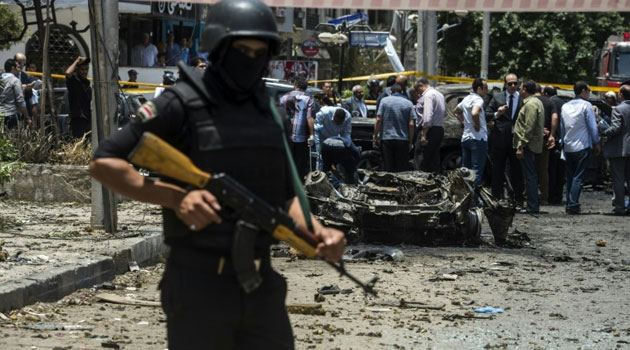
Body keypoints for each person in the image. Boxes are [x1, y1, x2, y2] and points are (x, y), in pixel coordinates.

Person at [89, 1, 345, 348]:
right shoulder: (179, 103)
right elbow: (104, 162)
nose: (250, 60)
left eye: (260, 52)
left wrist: (318, 233)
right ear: (219, 48)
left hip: (260, 284)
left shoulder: (271, 113)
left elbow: (288, 197)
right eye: (242, 50)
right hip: (198, 285)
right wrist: (176, 197)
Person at [560, 81, 601, 214]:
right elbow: (592, 127)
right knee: (578, 176)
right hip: (582, 145)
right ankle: (573, 204)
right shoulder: (586, 105)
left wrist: (562, 143)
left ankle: (569, 203)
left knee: (570, 176)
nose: (589, 93)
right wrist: (596, 142)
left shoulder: (565, 106)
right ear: (583, 91)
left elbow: (562, 127)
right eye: (588, 91)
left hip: (568, 146)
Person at [486, 73, 525, 207]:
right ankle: (496, 198)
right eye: (510, 83)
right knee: (497, 170)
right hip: (500, 139)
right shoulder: (497, 97)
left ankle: (518, 199)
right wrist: (498, 113)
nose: (513, 86)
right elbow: (487, 114)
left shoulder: (522, 99)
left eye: (515, 83)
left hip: (516, 139)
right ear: (505, 85)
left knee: (517, 171)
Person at [454, 78, 488, 206]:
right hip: (478, 138)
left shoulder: (466, 99)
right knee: (476, 171)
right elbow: (475, 112)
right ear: (479, 89)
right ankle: (474, 201)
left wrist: (465, 122)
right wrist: (477, 125)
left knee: (465, 171)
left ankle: (464, 199)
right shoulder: (478, 99)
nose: (487, 91)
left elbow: (456, 112)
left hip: (466, 138)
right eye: (485, 88)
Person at [513, 80, 545, 214]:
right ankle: (532, 204)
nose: (518, 90)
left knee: (530, 176)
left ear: (525, 89)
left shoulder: (531, 104)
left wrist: (521, 145)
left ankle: (532, 205)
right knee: (530, 175)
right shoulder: (534, 102)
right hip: (529, 145)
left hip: (528, 146)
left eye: (520, 88)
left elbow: (529, 127)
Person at [599, 84, 630, 215]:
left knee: (618, 179)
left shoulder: (618, 109)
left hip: (619, 150)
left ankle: (620, 207)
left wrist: (603, 131)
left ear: (621, 95)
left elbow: (616, 128)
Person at [373, 84, 416, 172]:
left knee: (388, 166)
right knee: (401, 167)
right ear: (402, 92)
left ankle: (388, 184)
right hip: (403, 139)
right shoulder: (408, 103)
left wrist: (375, 136)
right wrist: (411, 142)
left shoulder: (384, 101)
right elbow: (411, 124)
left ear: (390, 92)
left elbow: (378, 119)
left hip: (386, 138)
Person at [280, 77, 314, 181]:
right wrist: (312, 135)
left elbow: (279, 115)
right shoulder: (308, 98)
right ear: (306, 87)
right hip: (301, 137)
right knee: (299, 165)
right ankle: (296, 188)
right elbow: (309, 117)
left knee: (287, 163)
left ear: (295, 85)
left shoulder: (284, 97)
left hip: (286, 136)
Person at [414, 78, 445, 172]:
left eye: (417, 89)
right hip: (438, 129)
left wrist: (424, 134)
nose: (417, 93)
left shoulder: (428, 95)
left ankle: (421, 182)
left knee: (422, 159)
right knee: (434, 159)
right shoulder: (439, 94)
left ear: (421, 86)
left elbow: (428, 116)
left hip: (429, 130)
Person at [534, 84, 558, 205]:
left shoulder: (528, 101)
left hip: (531, 140)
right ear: (542, 91)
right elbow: (555, 117)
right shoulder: (549, 103)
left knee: (529, 169)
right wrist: (552, 135)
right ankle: (544, 198)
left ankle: (529, 196)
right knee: (543, 169)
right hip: (545, 140)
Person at [544, 86, 566, 205]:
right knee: (560, 171)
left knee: (551, 169)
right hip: (563, 142)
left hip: (552, 140)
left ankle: (551, 195)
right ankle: (558, 195)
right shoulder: (564, 103)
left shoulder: (549, 103)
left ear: (546, 94)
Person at [314, 105, 351, 170]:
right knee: (320, 158)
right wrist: (318, 144)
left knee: (338, 158)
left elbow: (346, 133)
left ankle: (336, 179)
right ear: (334, 116)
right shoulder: (324, 113)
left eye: (340, 123)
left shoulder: (348, 117)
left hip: (335, 138)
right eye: (337, 122)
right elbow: (316, 129)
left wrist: (346, 145)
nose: (338, 125)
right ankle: (319, 177)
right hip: (322, 137)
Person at [64, 56, 92, 139]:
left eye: (86, 69)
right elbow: (68, 73)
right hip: (77, 118)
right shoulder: (73, 81)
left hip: (86, 119)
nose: (84, 72)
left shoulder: (87, 83)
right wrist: (77, 60)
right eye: (82, 69)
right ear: (77, 69)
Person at [1, 59, 30, 129]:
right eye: (17, 68)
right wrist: (27, 117)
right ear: (12, 68)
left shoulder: (0, 78)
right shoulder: (15, 81)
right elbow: (20, 101)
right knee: (9, 138)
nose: (18, 70)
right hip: (9, 114)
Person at [14, 53, 34, 120]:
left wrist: (28, 89)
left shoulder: (26, 76)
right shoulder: (7, 75)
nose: (22, 66)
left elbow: (29, 95)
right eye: (20, 63)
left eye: (24, 64)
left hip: (24, 106)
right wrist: (21, 87)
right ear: (14, 62)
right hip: (11, 106)